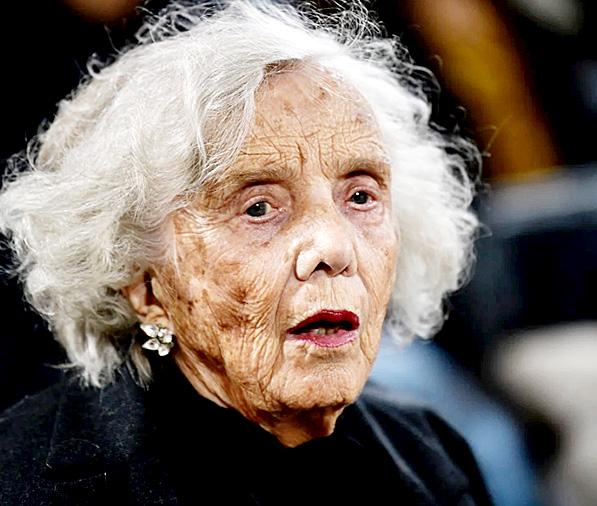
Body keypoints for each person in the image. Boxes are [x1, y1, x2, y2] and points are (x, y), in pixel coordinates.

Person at [0, 1, 491, 504]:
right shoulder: (32, 487)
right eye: (258, 208)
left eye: (361, 197)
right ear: (145, 286)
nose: (334, 247)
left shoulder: (432, 458)